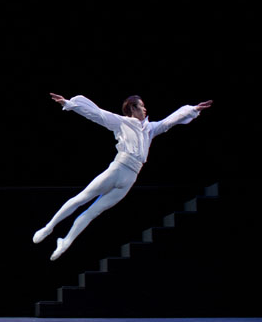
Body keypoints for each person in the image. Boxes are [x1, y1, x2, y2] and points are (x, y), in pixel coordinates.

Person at [33, 93, 212, 261]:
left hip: (130, 178)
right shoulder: (122, 122)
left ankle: (65, 242)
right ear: (133, 109)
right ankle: (49, 227)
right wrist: (69, 104)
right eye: (141, 107)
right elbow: (97, 114)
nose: (145, 109)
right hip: (117, 169)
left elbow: (168, 122)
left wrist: (193, 109)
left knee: (94, 211)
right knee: (82, 198)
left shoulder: (150, 129)